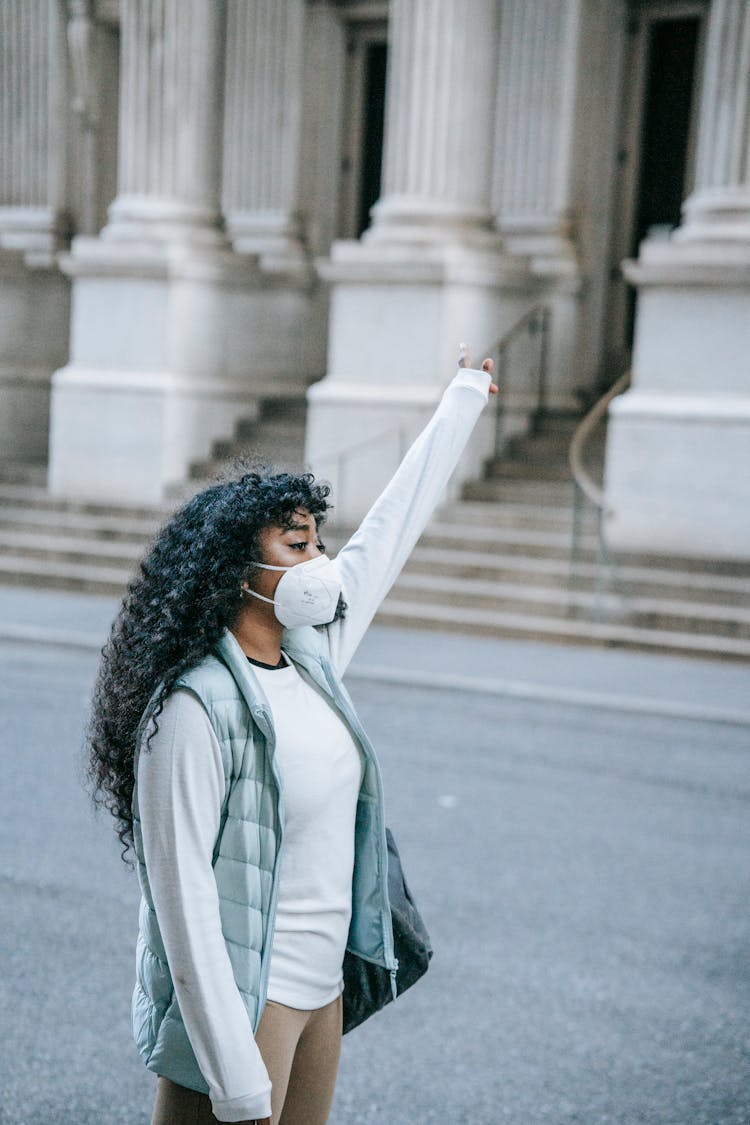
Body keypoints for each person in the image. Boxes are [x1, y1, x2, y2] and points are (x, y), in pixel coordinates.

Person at [87, 347, 498, 1125]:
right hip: (246, 1002)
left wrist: (463, 400)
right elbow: (184, 905)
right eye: (297, 545)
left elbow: (389, 536)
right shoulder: (189, 711)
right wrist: (237, 1077)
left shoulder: (314, 662)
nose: (321, 563)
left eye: (317, 541)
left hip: (323, 992)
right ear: (233, 567)